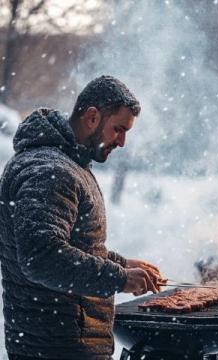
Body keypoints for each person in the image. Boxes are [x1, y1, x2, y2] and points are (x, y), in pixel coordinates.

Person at [0, 75, 163, 359]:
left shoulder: (65, 165)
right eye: (118, 129)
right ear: (92, 116)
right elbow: (41, 258)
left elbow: (71, 244)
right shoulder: (50, 171)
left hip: (61, 342)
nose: (122, 142)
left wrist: (120, 263)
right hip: (57, 346)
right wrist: (119, 278)